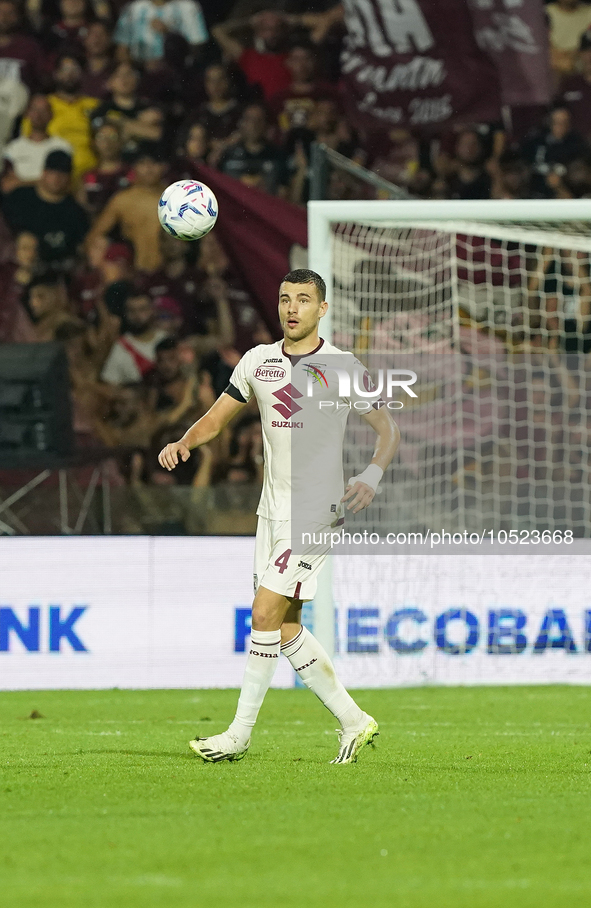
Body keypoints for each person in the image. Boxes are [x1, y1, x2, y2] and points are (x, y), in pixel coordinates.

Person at [158, 268, 400, 764]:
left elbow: (388, 431)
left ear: (322, 309)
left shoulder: (342, 366)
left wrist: (370, 477)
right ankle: (355, 721)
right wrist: (184, 441)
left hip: (315, 511)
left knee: (263, 613)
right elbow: (217, 418)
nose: (293, 308)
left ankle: (238, 736)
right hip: (271, 509)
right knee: (285, 626)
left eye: (304, 300)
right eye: (286, 298)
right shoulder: (257, 361)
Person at [86, 144, 167, 272]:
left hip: (168, 274)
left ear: (164, 166)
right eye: (142, 163)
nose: (148, 168)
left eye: (154, 162)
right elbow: (94, 237)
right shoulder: (122, 200)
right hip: (133, 274)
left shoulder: (176, 199)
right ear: (134, 167)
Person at [2, 148, 89, 267]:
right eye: (53, 171)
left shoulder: (75, 211)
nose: (57, 177)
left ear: (69, 177)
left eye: (63, 173)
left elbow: (79, 248)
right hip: (11, 264)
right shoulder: (19, 197)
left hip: (54, 270)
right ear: (44, 172)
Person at [212, 10, 291, 102]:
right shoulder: (249, 57)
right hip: (257, 111)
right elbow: (217, 31)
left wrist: (288, 19)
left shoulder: (293, 58)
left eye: (276, 29)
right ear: (258, 32)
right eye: (266, 29)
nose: (272, 35)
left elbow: (312, 22)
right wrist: (250, 21)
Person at [2, 94, 72, 190]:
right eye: (35, 110)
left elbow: (60, 184)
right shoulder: (12, 148)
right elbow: (7, 185)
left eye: (43, 111)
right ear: (27, 113)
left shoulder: (62, 147)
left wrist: (20, 182)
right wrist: (42, 182)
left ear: (51, 115)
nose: (38, 115)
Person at [218, 103, 287, 195]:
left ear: (266, 125)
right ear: (241, 123)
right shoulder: (228, 154)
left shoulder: (277, 155)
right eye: (249, 119)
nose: (253, 125)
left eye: (258, 120)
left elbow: (284, 192)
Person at [101, 291, 168, 384]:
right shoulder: (120, 347)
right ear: (125, 314)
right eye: (132, 311)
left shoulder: (166, 338)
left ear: (152, 310)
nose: (137, 316)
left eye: (142, 309)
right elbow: (110, 384)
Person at [114, 0, 208, 65]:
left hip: (178, 71)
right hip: (142, 72)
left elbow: (197, 45)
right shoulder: (133, 8)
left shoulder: (189, 7)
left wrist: (169, 33)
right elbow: (122, 50)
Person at [78, 121, 130, 215]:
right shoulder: (87, 177)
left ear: (120, 141)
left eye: (113, 137)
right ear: (93, 142)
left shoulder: (131, 174)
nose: (107, 142)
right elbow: (82, 208)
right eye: (101, 137)